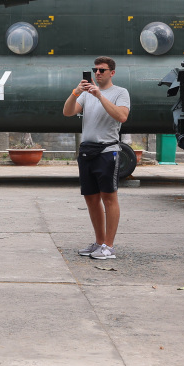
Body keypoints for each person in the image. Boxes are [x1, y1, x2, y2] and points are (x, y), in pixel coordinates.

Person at [62, 56, 131, 260]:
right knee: (91, 199)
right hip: (87, 152)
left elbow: (122, 116)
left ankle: (109, 246)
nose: (97, 73)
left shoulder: (120, 93)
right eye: (95, 70)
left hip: (107, 151)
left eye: (102, 70)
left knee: (109, 198)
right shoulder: (86, 93)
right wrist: (76, 92)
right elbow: (67, 112)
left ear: (112, 72)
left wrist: (100, 96)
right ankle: (99, 242)